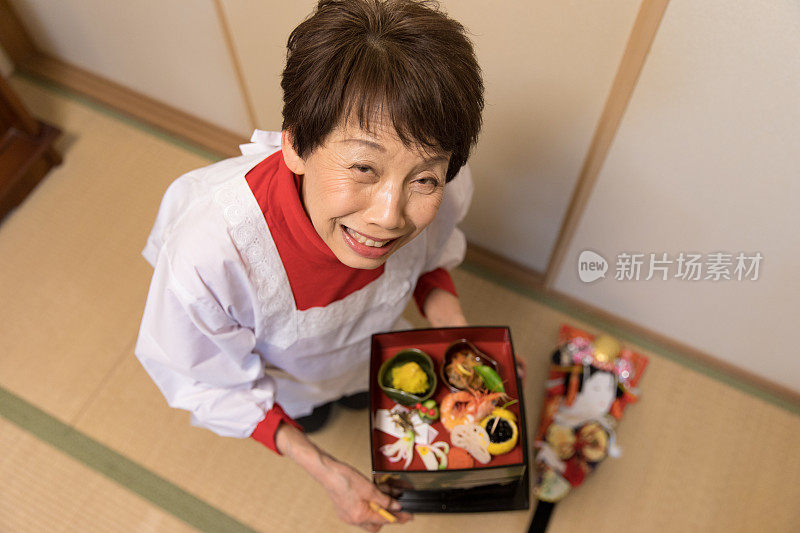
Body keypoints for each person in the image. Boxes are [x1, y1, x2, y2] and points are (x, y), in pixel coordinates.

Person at [135, 0, 483, 530]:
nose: (389, 218)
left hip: (372, 350)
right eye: (363, 166)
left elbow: (430, 261)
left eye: (424, 178)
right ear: (296, 145)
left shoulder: (445, 194)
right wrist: (325, 470)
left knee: (364, 394)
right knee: (312, 417)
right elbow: (209, 380)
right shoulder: (212, 254)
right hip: (287, 380)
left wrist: (462, 339)